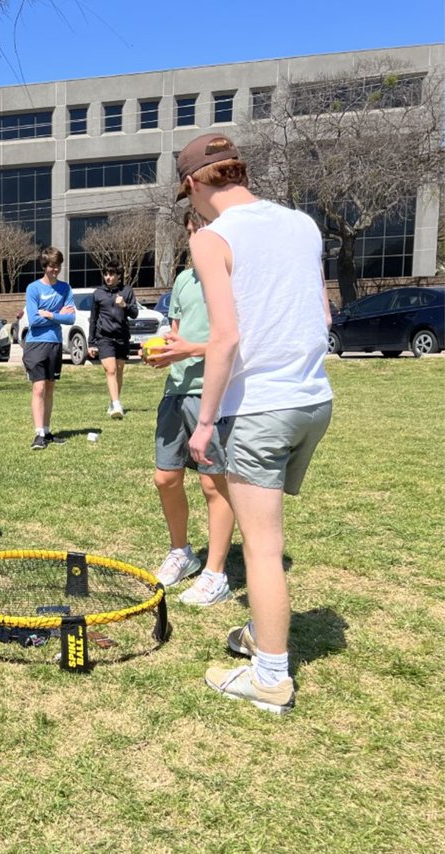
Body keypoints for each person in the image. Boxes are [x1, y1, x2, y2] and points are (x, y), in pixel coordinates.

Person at [179, 132, 334, 714]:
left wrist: (205, 423)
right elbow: (320, 314)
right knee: (267, 540)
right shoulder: (302, 224)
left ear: (194, 184)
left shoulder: (213, 238)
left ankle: (270, 677)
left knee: (263, 549)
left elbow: (226, 336)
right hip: (312, 401)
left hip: (260, 409)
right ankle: (261, 633)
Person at [145, 209, 235, 607]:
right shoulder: (183, 280)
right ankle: (182, 553)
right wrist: (165, 352)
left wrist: (191, 350)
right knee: (166, 478)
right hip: (176, 391)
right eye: (191, 230)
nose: (195, 236)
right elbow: (177, 335)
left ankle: (216, 573)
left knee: (213, 483)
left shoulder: (233, 278)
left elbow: (235, 340)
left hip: (213, 392)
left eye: (202, 227)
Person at [22, 246, 76, 449]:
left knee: (50, 387)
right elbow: (34, 320)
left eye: (58, 265)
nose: (55, 269)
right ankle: (38, 435)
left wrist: (51, 314)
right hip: (36, 344)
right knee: (39, 387)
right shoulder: (33, 288)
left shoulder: (65, 288)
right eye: (52, 266)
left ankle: (47, 430)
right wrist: (54, 314)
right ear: (45, 266)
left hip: (55, 343)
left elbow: (70, 318)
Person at [87, 259, 138, 419]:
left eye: (111, 274)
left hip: (122, 336)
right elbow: (93, 319)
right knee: (111, 370)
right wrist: (91, 342)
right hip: (105, 337)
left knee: (119, 371)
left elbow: (135, 313)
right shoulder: (98, 293)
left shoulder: (127, 291)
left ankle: (113, 401)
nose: (108, 277)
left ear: (119, 276)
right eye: (106, 274)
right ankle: (117, 405)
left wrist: (125, 305)